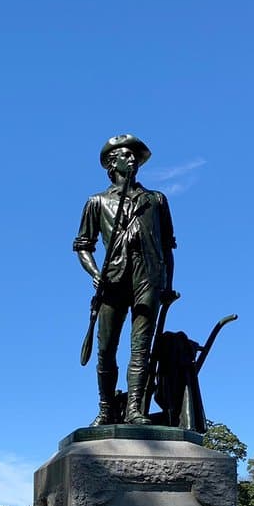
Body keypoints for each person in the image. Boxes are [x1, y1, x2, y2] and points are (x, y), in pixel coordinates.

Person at [73, 134, 176, 425]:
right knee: (106, 349)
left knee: (141, 347)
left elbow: (168, 246)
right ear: (111, 163)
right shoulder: (97, 202)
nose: (132, 159)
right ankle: (106, 408)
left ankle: (134, 409)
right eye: (125, 155)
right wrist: (96, 274)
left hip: (148, 277)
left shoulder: (156, 200)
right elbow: (83, 245)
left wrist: (167, 285)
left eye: (134, 155)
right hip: (113, 280)